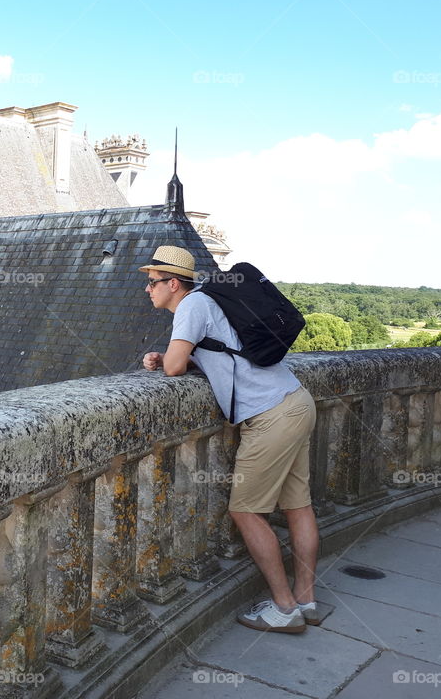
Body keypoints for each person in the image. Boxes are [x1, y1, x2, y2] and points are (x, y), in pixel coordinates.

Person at [139, 245, 319, 634]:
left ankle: (285, 609)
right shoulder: (211, 300)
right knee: (298, 505)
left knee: (245, 511)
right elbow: (218, 351)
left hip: (270, 416)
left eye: (153, 282)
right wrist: (175, 357)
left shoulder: (191, 305)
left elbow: (172, 368)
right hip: (296, 400)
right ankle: (306, 599)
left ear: (173, 283)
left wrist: (167, 359)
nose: (148, 290)